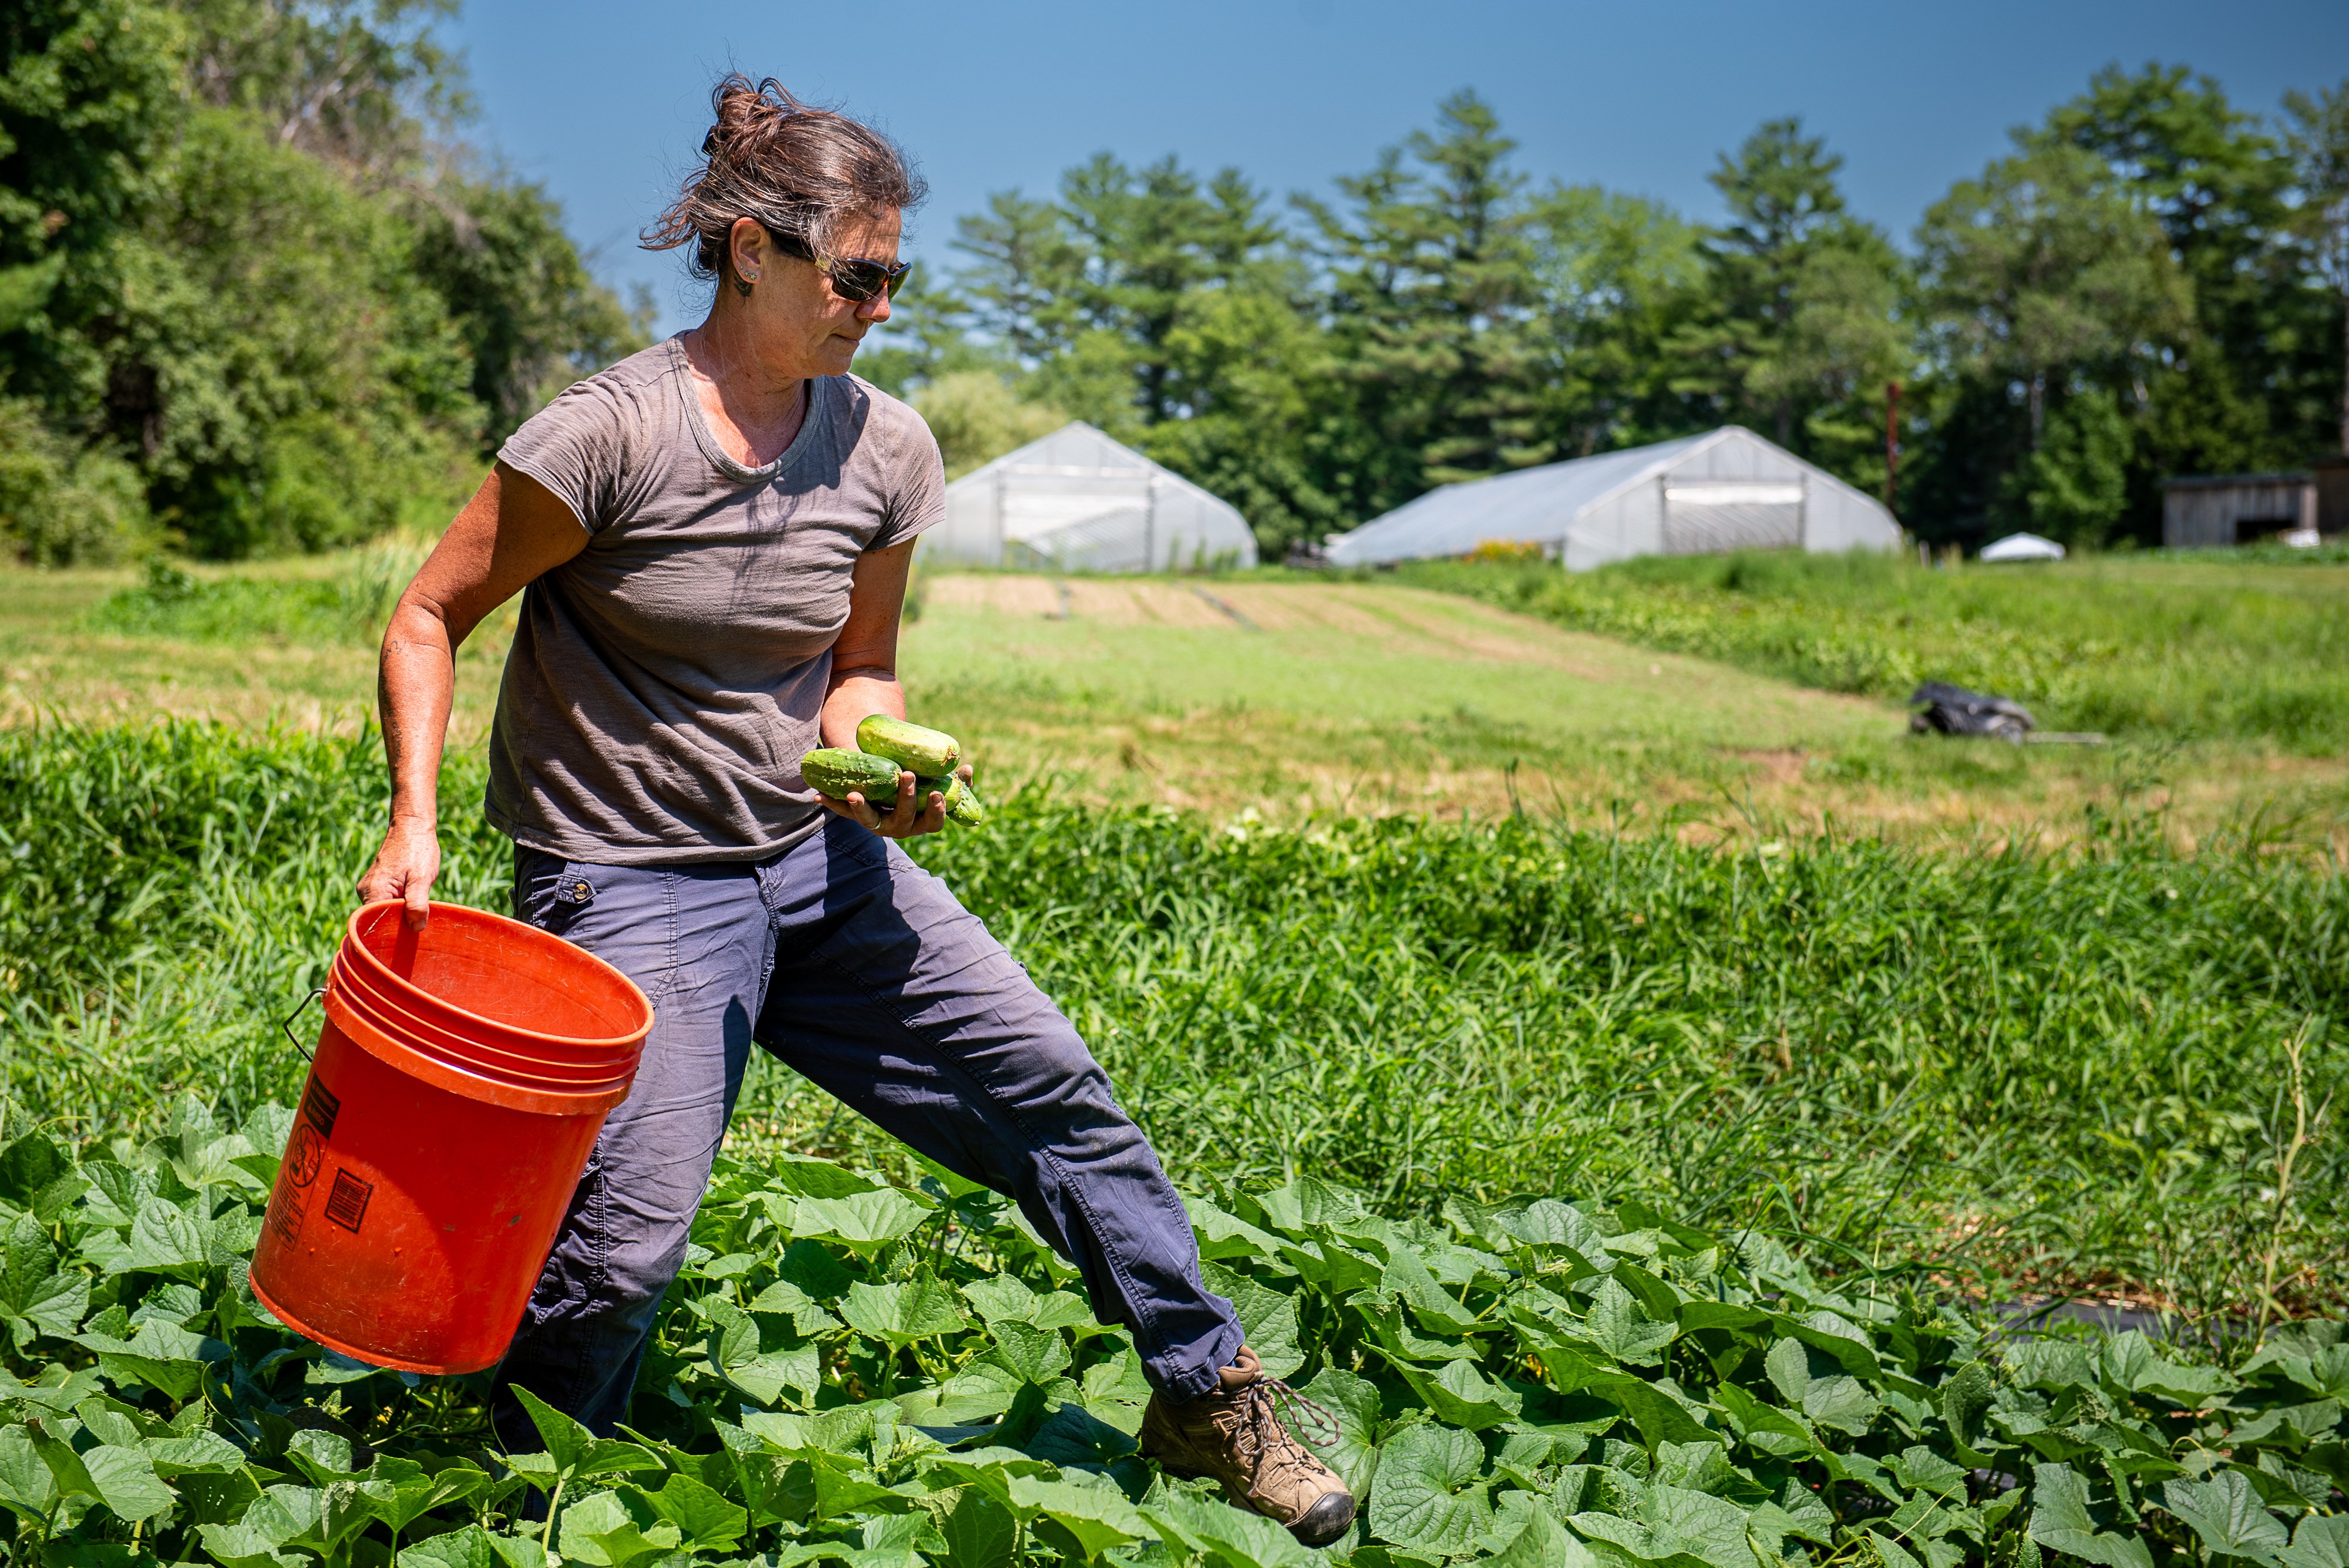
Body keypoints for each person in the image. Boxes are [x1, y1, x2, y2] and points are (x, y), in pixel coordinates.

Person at [354, 75, 1355, 1547]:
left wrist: (876, 763)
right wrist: (414, 821)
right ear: (749, 247)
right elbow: (429, 616)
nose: (878, 305)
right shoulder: (607, 436)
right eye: (857, 273)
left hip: (811, 861)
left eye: (895, 276)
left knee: (1055, 1098)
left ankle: (1209, 1402)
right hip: (626, 879)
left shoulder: (885, 448)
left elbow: (859, 666)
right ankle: (519, 1486)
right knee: (626, 1246)